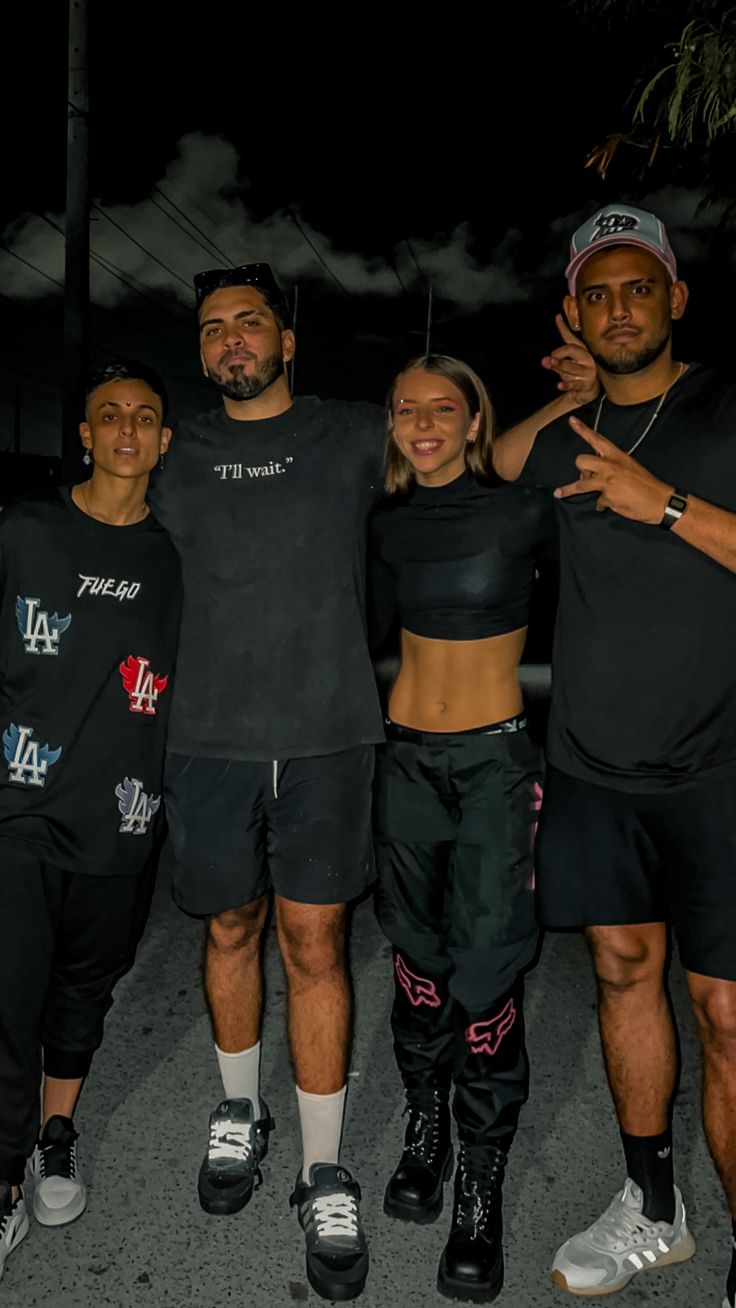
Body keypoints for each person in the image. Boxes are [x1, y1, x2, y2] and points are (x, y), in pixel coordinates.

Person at [494, 204, 736, 1306]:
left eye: (639, 287)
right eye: (597, 293)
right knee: (621, 977)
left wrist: (666, 503)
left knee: (727, 1016)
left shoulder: (725, 409)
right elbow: (494, 469)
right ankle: (654, 1206)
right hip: (592, 771)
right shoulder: (564, 433)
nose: (619, 307)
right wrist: (567, 390)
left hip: (721, 774)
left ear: (676, 298)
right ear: (573, 314)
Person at [148, 263, 386, 1302]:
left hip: (330, 735)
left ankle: (321, 1168)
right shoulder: (173, 451)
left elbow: (468, 457)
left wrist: (566, 399)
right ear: (202, 353)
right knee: (230, 929)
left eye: (251, 322)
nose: (233, 340)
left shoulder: (354, 433)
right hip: (205, 737)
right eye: (214, 329)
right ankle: (240, 1112)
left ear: (288, 342)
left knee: (315, 941)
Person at [369, 355, 555, 1302]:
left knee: (485, 970)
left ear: (478, 420)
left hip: (492, 764)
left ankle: (479, 1180)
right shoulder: (385, 521)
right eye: (408, 408)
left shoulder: (524, 509)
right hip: (405, 759)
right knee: (416, 959)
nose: (425, 422)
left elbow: (555, 452)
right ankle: (426, 1120)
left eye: (446, 407)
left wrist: (566, 390)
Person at [0, 360, 181, 1282]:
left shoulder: (174, 556)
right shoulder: (25, 530)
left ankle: (55, 1135)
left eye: (143, 418)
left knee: (82, 991)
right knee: (9, 994)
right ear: (84, 433)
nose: (124, 430)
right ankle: (1, 1179)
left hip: (123, 814)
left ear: (163, 441)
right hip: (17, 809)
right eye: (108, 415)